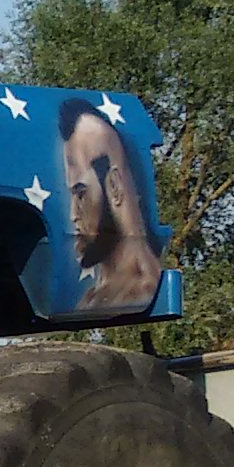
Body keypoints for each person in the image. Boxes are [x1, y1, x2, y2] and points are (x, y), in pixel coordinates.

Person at [56, 96, 165, 311]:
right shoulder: (92, 299)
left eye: (81, 194)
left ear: (114, 186)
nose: (73, 215)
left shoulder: (146, 292)